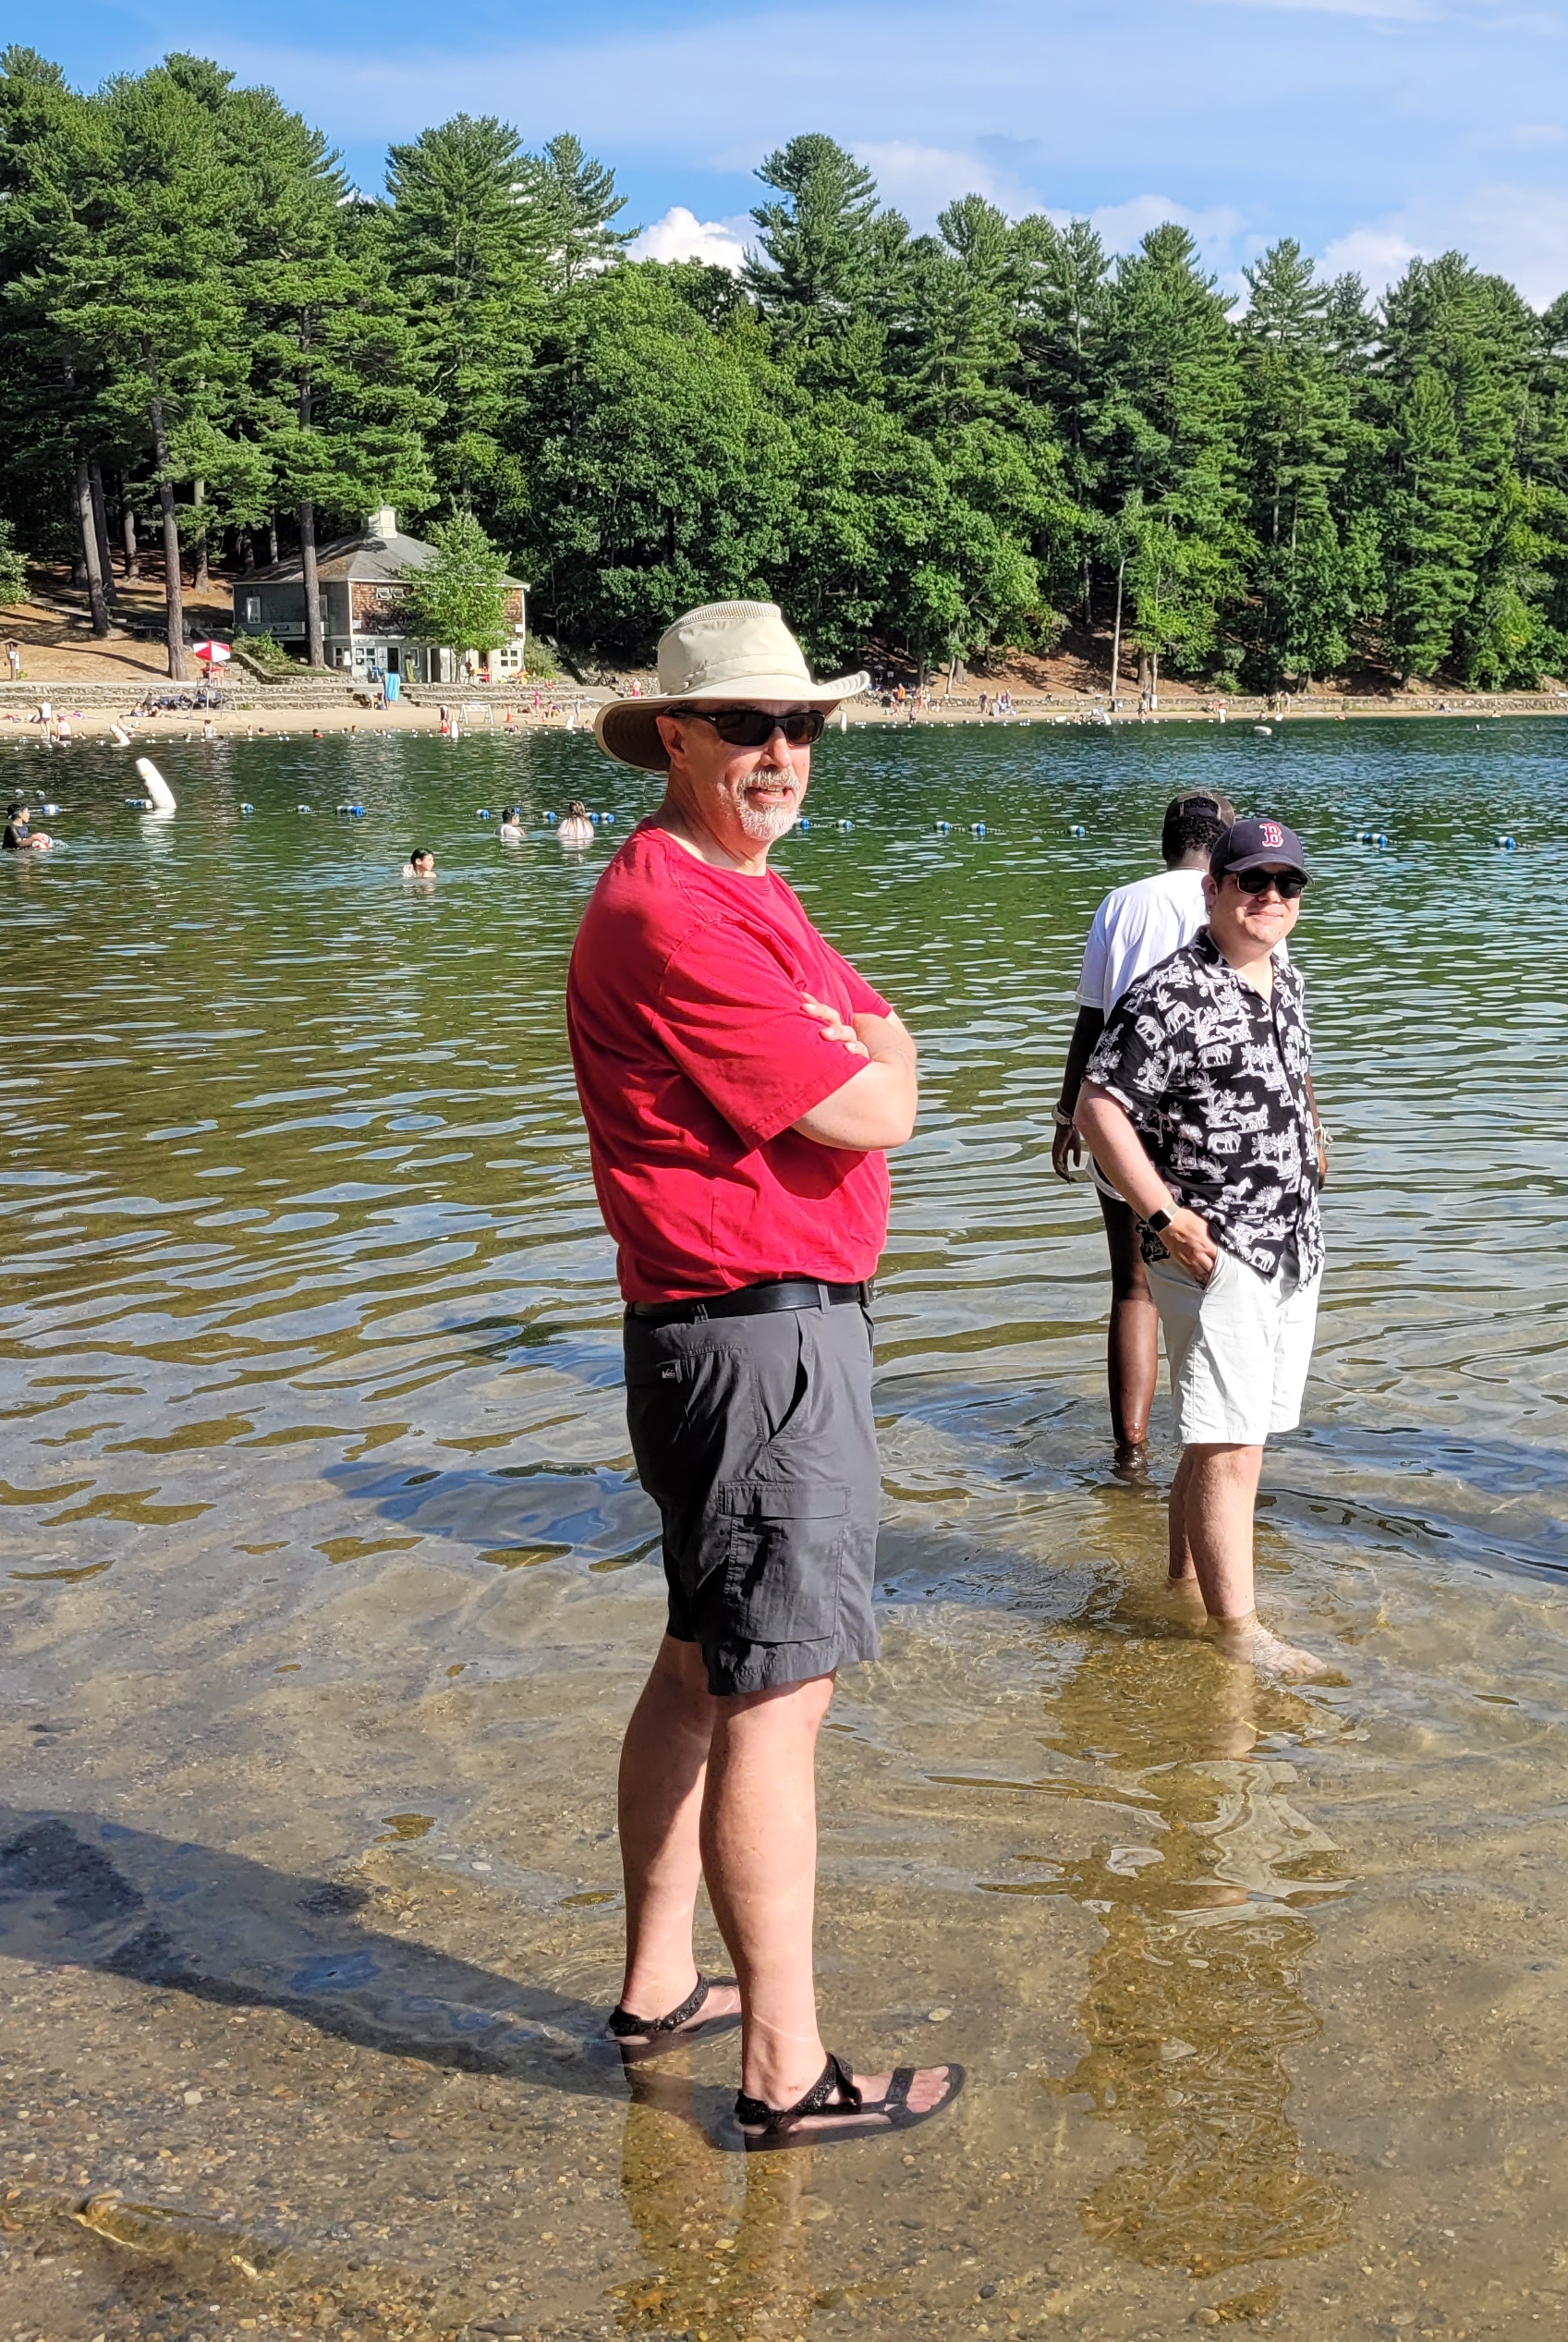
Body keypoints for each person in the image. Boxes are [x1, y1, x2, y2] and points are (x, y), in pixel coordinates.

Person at [566, 597, 959, 2148]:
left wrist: (866, 1041)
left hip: (728, 1329)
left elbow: (879, 1031)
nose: (782, 748)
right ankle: (787, 2071)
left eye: (800, 722)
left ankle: (660, 1984)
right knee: (776, 1697)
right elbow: (877, 1102)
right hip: (754, 1332)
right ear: (674, 734)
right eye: (747, 723)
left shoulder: (742, 887)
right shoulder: (673, 908)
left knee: (699, 1664)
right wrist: (867, 1052)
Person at [1076, 817, 1337, 1682]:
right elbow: (1099, 1106)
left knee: (1220, 1433)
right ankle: (1241, 1637)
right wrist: (1162, 1217)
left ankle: (1185, 1588)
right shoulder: (1171, 993)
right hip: (1215, 1246)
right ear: (1213, 889)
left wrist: (1313, 1135)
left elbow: (1290, 1073)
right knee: (1234, 1447)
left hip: (1289, 1240)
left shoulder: (1284, 974)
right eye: (1252, 881)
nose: (1271, 897)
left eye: (1286, 884)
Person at [1050, 787, 1239, 1462]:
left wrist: (1067, 1114)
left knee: (1134, 1288)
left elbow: (1092, 1019)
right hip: (1217, 1125)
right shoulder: (1242, 900)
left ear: (1165, 844)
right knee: (1223, 1286)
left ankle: (1130, 1454)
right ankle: (1213, 1448)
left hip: (1123, 1119)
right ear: (1225, 849)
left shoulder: (1122, 903)